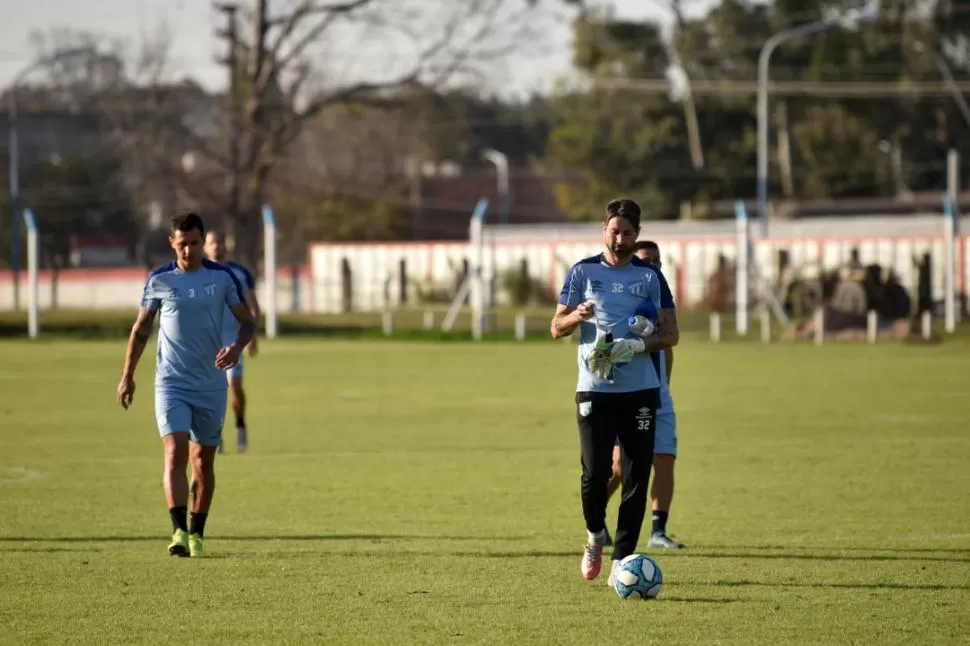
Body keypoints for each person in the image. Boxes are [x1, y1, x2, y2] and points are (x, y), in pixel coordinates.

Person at [550, 198, 679, 585]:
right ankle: (594, 536)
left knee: (637, 477)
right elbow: (556, 327)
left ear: (636, 234)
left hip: (640, 390)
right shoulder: (582, 271)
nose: (619, 238)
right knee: (595, 474)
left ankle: (622, 561)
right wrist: (576, 316)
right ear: (603, 230)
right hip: (594, 389)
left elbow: (671, 334)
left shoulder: (651, 279)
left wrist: (638, 346)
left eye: (626, 232)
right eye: (613, 231)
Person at [117, 211, 255, 558]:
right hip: (171, 382)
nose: (190, 251)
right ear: (171, 243)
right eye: (183, 245)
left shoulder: (223, 277)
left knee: (202, 462)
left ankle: (197, 531)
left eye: (195, 243)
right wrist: (127, 374)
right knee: (175, 452)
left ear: (202, 240)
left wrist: (237, 347)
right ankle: (178, 530)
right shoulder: (159, 280)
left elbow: (247, 322)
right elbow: (141, 329)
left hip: (210, 383)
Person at [603, 240, 684, 550]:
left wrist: (665, 385)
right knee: (620, 469)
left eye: (657, 261)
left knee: (664, 459)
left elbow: (669, 347)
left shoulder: (664, 301)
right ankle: (596, 518)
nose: (653, 265)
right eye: (646, 260)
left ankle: (658, 532)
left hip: (659, 396)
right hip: (625, 394)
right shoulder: (622, 301)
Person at [203, 230, 261, 453]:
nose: (216, 246)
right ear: (205, 247)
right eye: (211, 242)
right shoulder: (199, 272)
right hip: (208, 340)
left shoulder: (238, 272)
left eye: (219, 242)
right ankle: (215, 435)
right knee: (211, 389)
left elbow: (253, 305)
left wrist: (251, 336)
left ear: (225, 245)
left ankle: (240, 424)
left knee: (234, 388)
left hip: (233, 338)